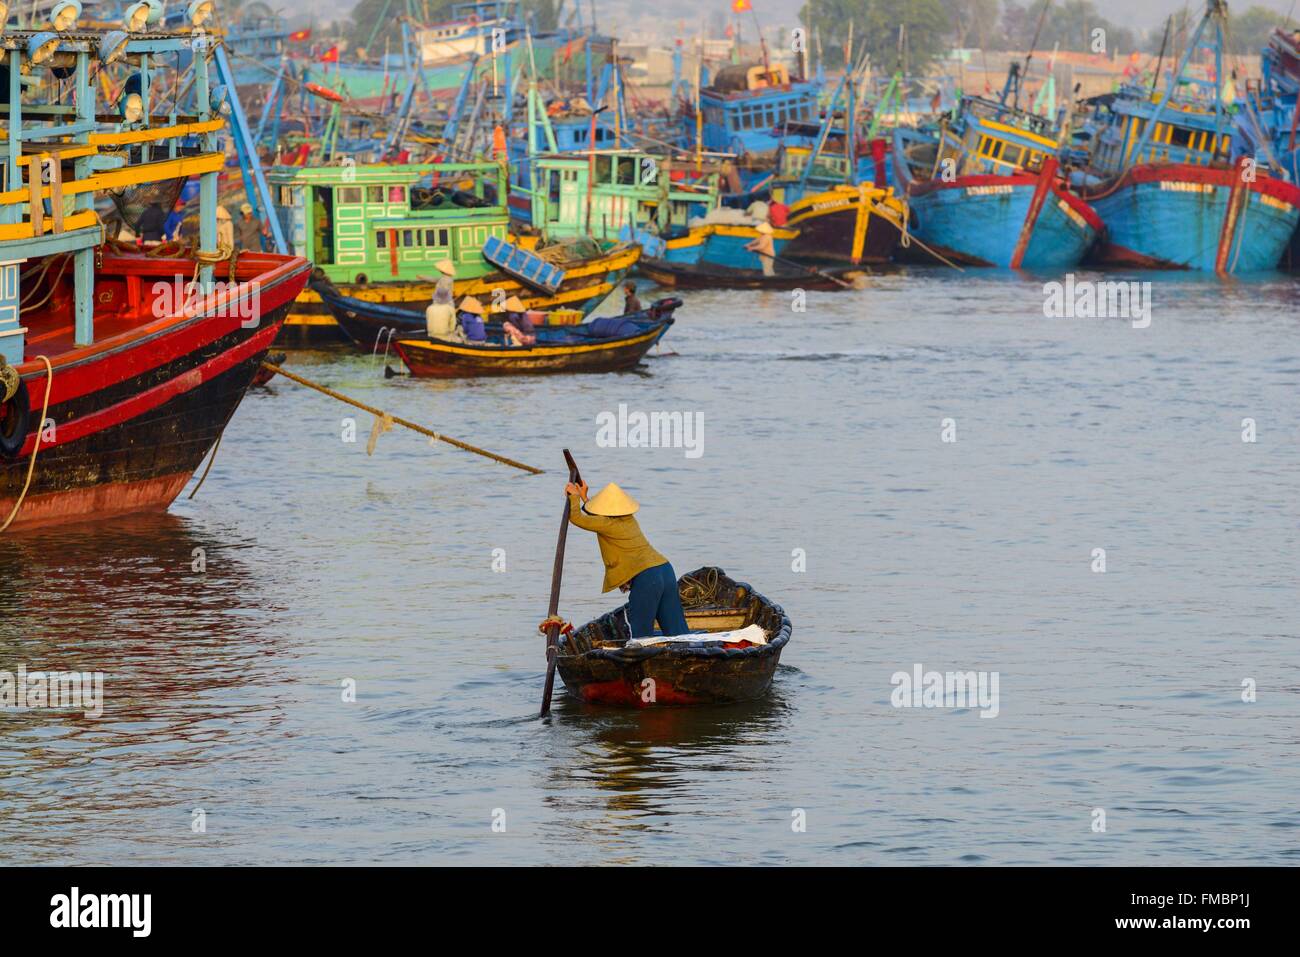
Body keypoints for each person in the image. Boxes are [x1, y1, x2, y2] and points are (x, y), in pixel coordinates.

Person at [564, 480, 690, 640]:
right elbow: (598, 519)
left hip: (647, 578)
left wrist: (574, 497)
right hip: (665, 570)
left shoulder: (607, 524)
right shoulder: (629, 519)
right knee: (678, 633)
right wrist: (584, 497)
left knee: (641, 637)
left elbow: (576, 518)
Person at [425, 259, 458, 338]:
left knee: (442, 319)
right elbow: (436, 280)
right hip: (445, 301)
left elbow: (443, 292)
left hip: (445, 302)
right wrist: (425, 278)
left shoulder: (446, 280)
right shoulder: (446, 278)